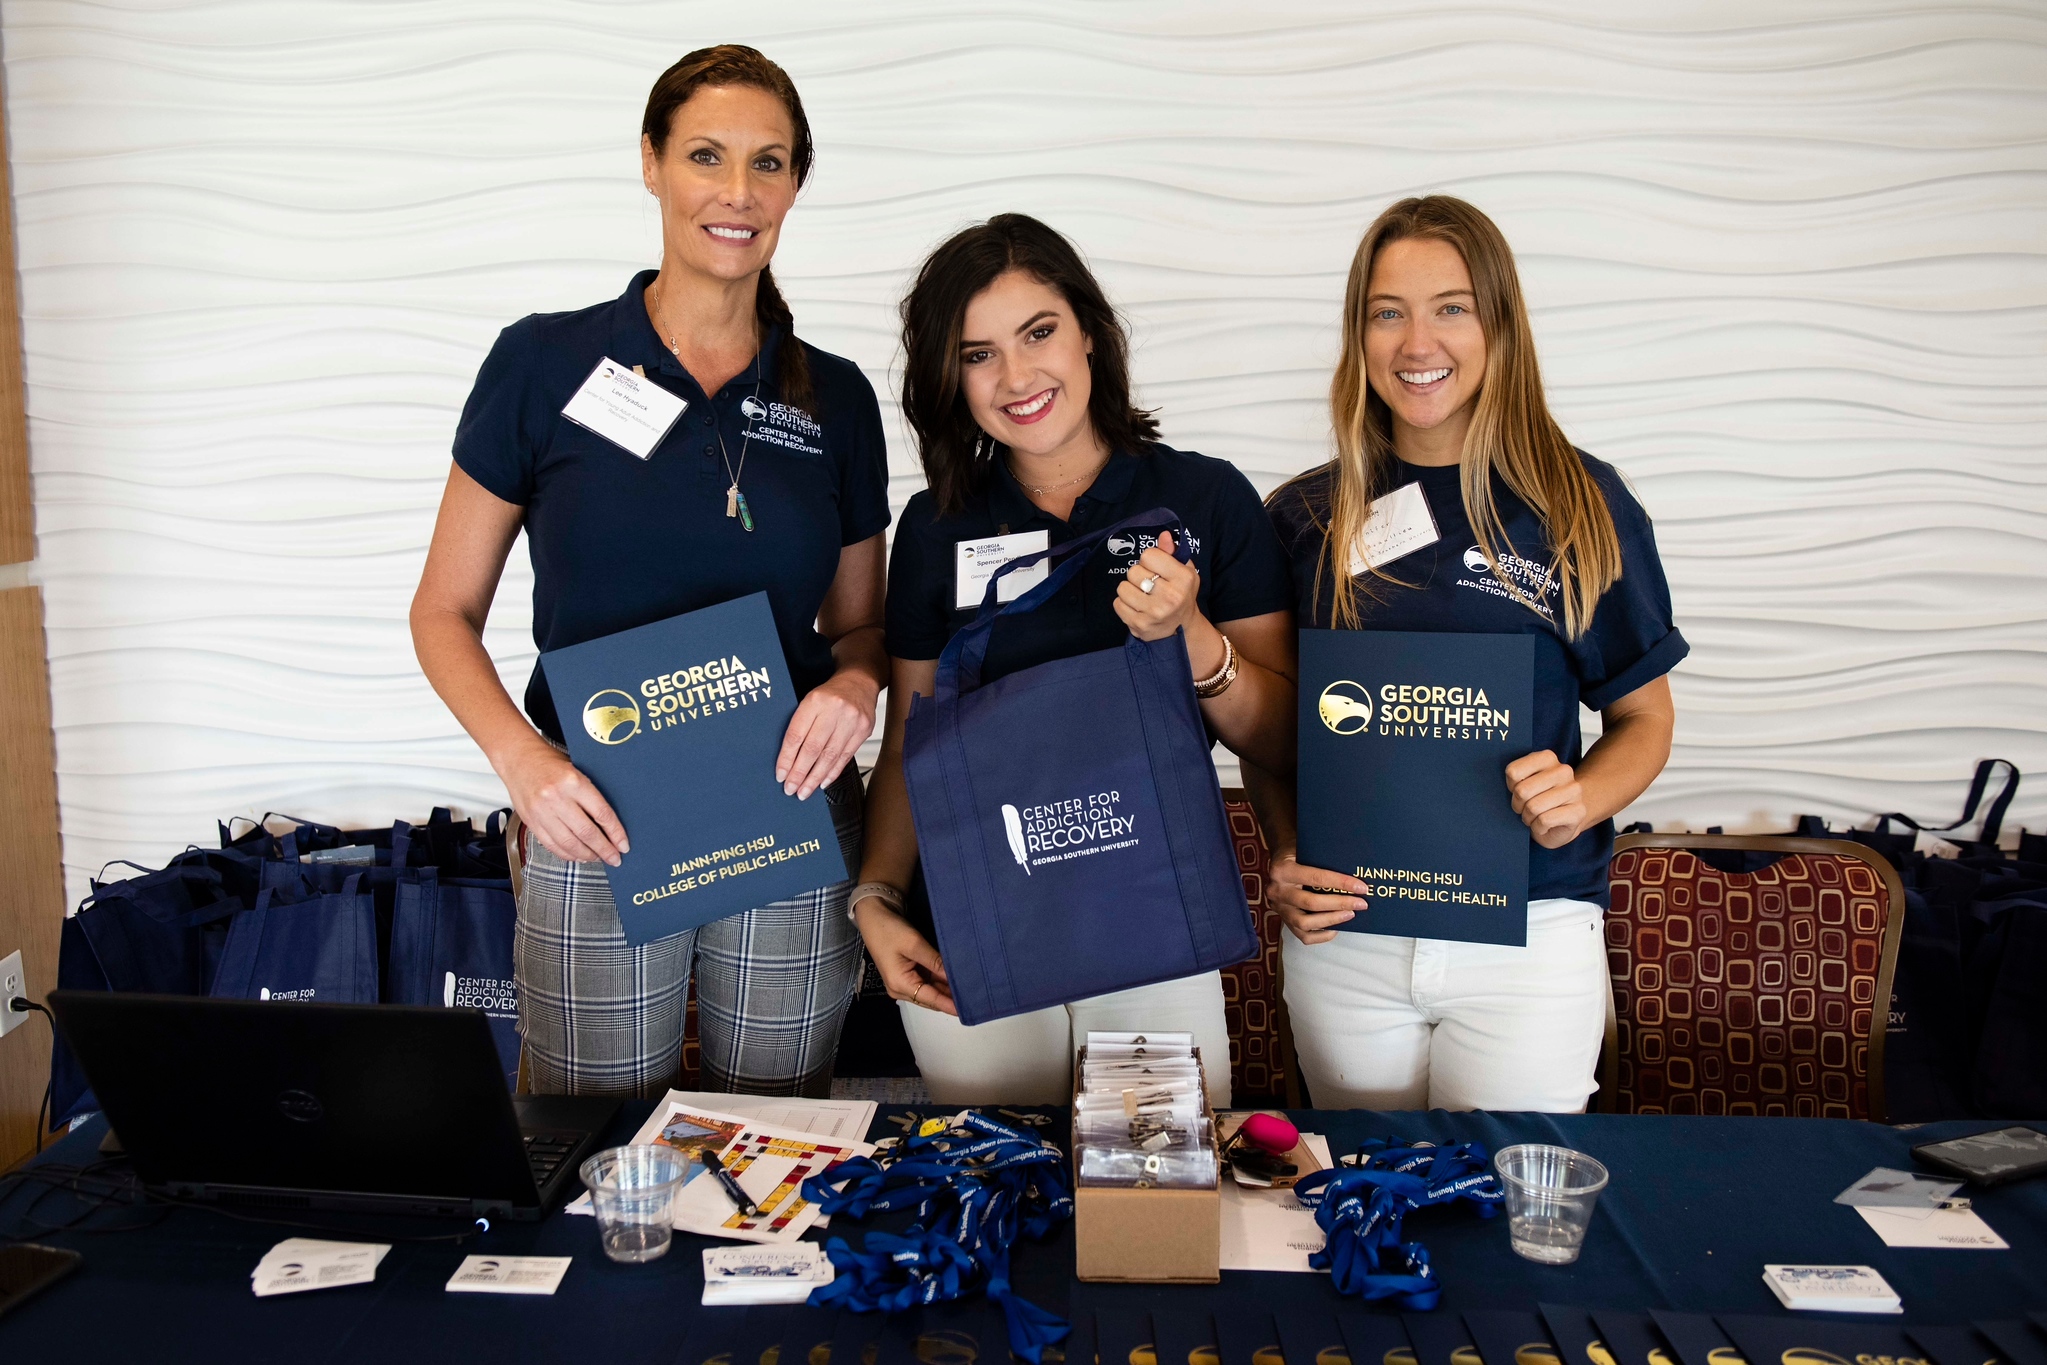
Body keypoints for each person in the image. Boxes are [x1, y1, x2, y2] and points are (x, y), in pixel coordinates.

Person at [410, 46, 890, 1098]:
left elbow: (862, 631)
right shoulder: (544, 363)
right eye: (706, 156)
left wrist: (855, 686)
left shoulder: (837, 400)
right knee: (588, 1135)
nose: (736, 192)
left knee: (775, 1133)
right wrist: (522, 766)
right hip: (593, 806)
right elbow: (442, 611)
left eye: (768, 164)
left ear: (797, 184)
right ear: (651, 163)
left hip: (786, 801)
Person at [848, 214, 1296, 1107]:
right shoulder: (936, 528)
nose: (1016, 377)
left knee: (1155, 1208)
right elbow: (910, 742)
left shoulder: (1203, 496)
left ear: (1089, 330)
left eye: (1038, 332)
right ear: (950, 376)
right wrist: (876, 898)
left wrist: (1194, 632)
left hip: (1149, 918)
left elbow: (1283, 736)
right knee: (996, 1203)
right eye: (978, 354)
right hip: (969, 926)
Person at [1253, 195, 1685, 1113]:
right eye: (1387, 311)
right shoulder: (1301, 520)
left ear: (1498, 323)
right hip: (1347, 935)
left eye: (1451, 307)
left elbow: (1643, 717)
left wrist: (1584, 795)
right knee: (1361, 1196)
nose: (1418, 342)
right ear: (1357, 332)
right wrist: (1287, 848)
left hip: (1528, 929)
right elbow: (1272, 737)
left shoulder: (1581, 503)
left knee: (1503, 1216)